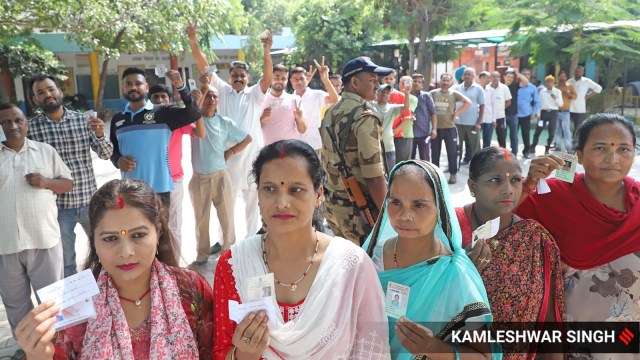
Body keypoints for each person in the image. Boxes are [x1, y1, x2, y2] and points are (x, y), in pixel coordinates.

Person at [213, 140, 390, 359]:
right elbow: (221, 351)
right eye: (270, 189)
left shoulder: (351, 265)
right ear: (258, 195)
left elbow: (373, 351)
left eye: (296, 190)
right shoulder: (235, 265)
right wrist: (243, 354)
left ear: (318, 195)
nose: (282, 202)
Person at [15, 178, 214, 359]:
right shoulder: (72, 306)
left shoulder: (191, 289)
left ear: (158, 232)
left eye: (138, 235)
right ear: (94, 241)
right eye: (110, 238)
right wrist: (37, 356)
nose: (126, 252)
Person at [517, 114, 640, 360]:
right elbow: (494, 223)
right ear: (579, 155)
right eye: (600, 148)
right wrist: (528, 183)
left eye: (623, 149)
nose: (612, 158)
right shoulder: (553, 196)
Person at [363, 160, 498, 359]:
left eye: (419, 205)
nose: (405, 215)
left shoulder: (454, 275)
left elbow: (486, 357)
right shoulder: (372, 258)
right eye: (396, 202)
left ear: (440, 209)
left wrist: (434, 347)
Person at [456, 147, 564, 358]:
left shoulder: (534, 238)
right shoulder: (451, 231)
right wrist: (461, 272)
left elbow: (549, 316)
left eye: (515, 180)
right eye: (495, 180)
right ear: (472, 187)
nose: (508, 189)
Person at [187, 20, 272, 236]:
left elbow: (268, 77)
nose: (239, 78)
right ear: (229, 77)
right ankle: (224, 240)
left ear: (248, 78)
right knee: (225, 203)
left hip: (252, 156)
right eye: (235, 75)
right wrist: (193, 41)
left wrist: (266, 50)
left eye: (242, 76)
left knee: (253, 203)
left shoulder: (254, 94)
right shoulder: (222, 91)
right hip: (225, 158)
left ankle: (252, 238)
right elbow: (203, 65)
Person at [0, 104, 72, 354]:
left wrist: (46, 182)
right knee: (16, 305)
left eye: (17, 120)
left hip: (44, 240)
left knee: (51, 302)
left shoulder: (45, 152)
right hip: (5, 244)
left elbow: (67, 183)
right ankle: (28, 350)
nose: (12, 126)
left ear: (26, 123)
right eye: (6, 122)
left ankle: (60, 347)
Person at [28, 74, 113, 277]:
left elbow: (106, 153)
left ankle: (108, 295)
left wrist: (100, 134)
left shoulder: (82, 120)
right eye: (40, 92)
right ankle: (76, 306)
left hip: (90, 202)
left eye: (50, 89)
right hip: (57, 208)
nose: (47, 94)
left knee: (104, 253)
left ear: (59, 91)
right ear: (34, 100)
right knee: (65, 262)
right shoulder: (31, 129)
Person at [320, 56, 391, 244]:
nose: (377, 86)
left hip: (334, 207)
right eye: (372, 80)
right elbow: (374, 176)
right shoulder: (365, 116)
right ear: (354, 82)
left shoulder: (331, 112)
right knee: (368, 269)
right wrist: (389, 216)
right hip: (360, 214)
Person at [110, 68, 202, 208]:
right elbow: (113, 150)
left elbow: (194, 113)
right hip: (129, 191)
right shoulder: (117, 119)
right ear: (122, 88)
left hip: (159, 191)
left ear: (146, 87)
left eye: (138, 83)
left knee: (160, 230)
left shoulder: (162, 112)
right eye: (128, 84)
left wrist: (180, 86)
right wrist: (118, 161)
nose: (133, 87)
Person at [189, 84, 252, 268]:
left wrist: (231, 151)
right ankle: (202, 255)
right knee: (201, 220)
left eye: (215, 96)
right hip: (199, 178)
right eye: (208, 96)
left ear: (219, 101)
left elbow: (247, 138)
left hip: (221, 176)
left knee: (227, 217)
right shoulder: (193, 121)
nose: (212, 99)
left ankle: (228, 252)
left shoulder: (224, 122)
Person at [148, 83, 205, 249]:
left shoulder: (177, 120)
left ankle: (174, 266)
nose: (160, 100)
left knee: (174, 224)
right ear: (149, 101)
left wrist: (197, 108)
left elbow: (200, 134)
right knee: (151, 225)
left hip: (174, 180)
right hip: (150, 182)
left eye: (163, 97)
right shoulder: (145, 120)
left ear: (170, 99)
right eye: (155, 97)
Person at [290, 60, 339, 157]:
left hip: (314, 145)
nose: (298, 81)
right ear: (291, 81)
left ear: (306, 79)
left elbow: (334, 99)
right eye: (295, 79)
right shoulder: (288, 98)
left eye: (301, 78)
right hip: (294, 147)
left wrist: (325, 79)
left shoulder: (317, 94)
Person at [430, 73, 471, 184]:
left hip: (450, 128)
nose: (445, 83)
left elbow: (468, 102)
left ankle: (453, 174)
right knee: (435, 153)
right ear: (440, 80)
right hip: (435, 129)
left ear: (451, 82)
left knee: (452, 152)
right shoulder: (433, 93)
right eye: (444, 80)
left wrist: (457, 112)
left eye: (448, 81)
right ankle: (435, 175)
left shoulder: (453, 94)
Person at [259, 64, 306, 145]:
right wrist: (262, 119)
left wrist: (300, 119)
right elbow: (253, 129)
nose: (280, 81)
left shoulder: (295, 100)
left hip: (288, 150)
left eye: (283, 78)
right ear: (270, 78)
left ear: (287, 81)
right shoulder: (260, 99)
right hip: (267, 151)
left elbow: (302, 130)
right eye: (276, 77)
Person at [372, 83, 410, 173]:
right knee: (376, 174)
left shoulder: (392, 108)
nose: (385, 94)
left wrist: (407, 94)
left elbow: (406, 107)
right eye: (382, 92)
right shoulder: (371, 106)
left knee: (390, 173)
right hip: (373, 146)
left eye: (387, 93)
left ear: (390, 96)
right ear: (377, 94)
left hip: (388, 146)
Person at [453, 68, 485, 165]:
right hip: (458, 122)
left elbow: (482, 106)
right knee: (457, 145)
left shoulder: (478, 89)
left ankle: (478, 165)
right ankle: (456, 164)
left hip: (472, 123)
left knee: (475, 145)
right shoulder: (456, 88)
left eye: (469, 74)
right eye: (465, 74)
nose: (466, 76)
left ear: (473, 75)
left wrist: (479, 122)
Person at [531, 75, 563, 155]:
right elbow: (539, 103)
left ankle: (547, 147)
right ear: (546, 82)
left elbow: (561, 104)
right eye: (548, 82)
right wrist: (538, 114)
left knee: (551, 131)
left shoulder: (557, 92)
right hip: (544, 113)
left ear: (553, 82)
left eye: (551, 82)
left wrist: (555, 98)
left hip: (553, 113)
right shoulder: (542, 91)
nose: (549, 83)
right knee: (538, 130)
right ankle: (533, 147)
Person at [410, 73, 437, 161]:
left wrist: (434, 129)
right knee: (410, 159)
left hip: (424, 133)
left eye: (419, 82)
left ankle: (426, 174)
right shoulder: (406, 96)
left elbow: (433, 113)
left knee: (425, 159)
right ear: (411, 83)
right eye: (415, 81)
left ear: (422, 85)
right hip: (409, 134)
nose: (416, 83)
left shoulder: (426, 96)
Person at [567, 66, 602, 136]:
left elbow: (599, 89)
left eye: (580, 71)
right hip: (568, 108)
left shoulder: (586, 81)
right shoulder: (569, 81)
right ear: (574, 72)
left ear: (583, 72)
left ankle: (574, 144)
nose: (578, 73)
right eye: (577, 71)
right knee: (564, 126)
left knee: (578, 128)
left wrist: (588, 96)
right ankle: (558, 144)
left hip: (580, 109)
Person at [503, 68, 529, 156]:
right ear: (504, 77)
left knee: (514, 136)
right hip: (502, 115)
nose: (509, 79)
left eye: (511, 77)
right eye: (508, 77)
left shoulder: (515, 86)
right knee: (502, 136)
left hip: (513, 115)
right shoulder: (501, 87)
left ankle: (514, 153)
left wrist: (517, 73)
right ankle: (502, 154)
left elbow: (525, 81)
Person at [391, 76, 418, 162]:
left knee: (403, 162)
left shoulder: (413, 98)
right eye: (402, 82)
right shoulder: (392, 95)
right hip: (392, 133)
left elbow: (408, 111)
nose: (404, 85)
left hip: (405, 134)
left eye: (407, 82)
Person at [517, 69, 540, 159]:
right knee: (513, 135)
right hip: (514, 114)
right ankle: (513, 151)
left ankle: (526, 151)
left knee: (526, 134)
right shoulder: (516, 86)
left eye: (528, 74)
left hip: (526, 114)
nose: (526, 75)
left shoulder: (532, 87)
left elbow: (537, 102)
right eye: (524, 74)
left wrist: (533, 113)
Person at [554, 71, 576, 152]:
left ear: (566, 77)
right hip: (556, 111)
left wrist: (568, 94)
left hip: (565, 112)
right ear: (558, 77)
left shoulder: (569, 86)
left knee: (566, 129)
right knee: (557, 129)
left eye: (564, 76)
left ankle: (569, 147)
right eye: (561, 76)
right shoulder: (555, 87)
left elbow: (575, 96)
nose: (562, 78)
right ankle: (558, 146)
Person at [490, 72, 512, 149]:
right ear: (490, 77)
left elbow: (508, 102)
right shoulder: (486, 88)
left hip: (500, 117)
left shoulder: (504, 88)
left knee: (502, 138)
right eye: (493, 76)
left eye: (497, 76)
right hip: (488, 117)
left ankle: (503, 155)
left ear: (500, 78)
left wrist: (501, 109)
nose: (495, 78)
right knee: (487, 138)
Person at [478, 71, 496, 148]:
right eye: (488, 77)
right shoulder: (476, 89)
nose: (489, 79)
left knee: (487, 141)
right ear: (482, 78)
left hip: (488, 120)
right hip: (477, 120)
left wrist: (494, 120)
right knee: (475, 140)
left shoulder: (491, 90)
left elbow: (494, 106)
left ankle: (485, 158)